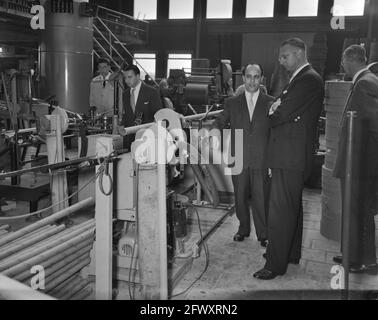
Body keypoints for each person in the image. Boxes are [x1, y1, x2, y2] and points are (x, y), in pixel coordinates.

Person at [253, 38, 324, 280]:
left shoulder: (308, 80)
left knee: (280, 210)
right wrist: (276, 108)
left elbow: (280, 112)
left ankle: (275, 264)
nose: (281, 61)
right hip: (291, 155)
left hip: (289, 157)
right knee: (291, 207)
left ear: (298, 54)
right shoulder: (299, 79)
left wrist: (274, 111)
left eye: (285, 56)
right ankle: (289, 253)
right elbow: (280, 106)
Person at [213, 63, 274, 246]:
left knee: (261, 197)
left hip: (262, 157)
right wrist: (216, 130)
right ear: (243, 78)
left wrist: (273, 159)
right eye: (249, 76)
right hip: (237, 155)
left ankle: (263, 233)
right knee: (239, 196)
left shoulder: (271, 102)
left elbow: (277, 131)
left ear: (261, 79)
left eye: (256, 77)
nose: (252, 81)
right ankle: (243, 228)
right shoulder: (232, 103)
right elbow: (220, 120)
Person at [332, 45, 378, 275]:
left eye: (342, 60)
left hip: (360, 164)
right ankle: (354, 255)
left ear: (348, 60)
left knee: (358, 211)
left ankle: (361, 261)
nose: (342, 65)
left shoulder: (365, 83)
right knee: (358, 211)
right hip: (359, 162)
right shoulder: (366, 80)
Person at [121, 65, 162, 150]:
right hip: (129, 138)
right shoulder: (125, 94)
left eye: (129, 77)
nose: (126, 80)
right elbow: (127, 114)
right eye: (125, 78)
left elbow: (158, 114)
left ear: (138, 76)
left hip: (147, 136)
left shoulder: (151, 92)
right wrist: (121, 125)